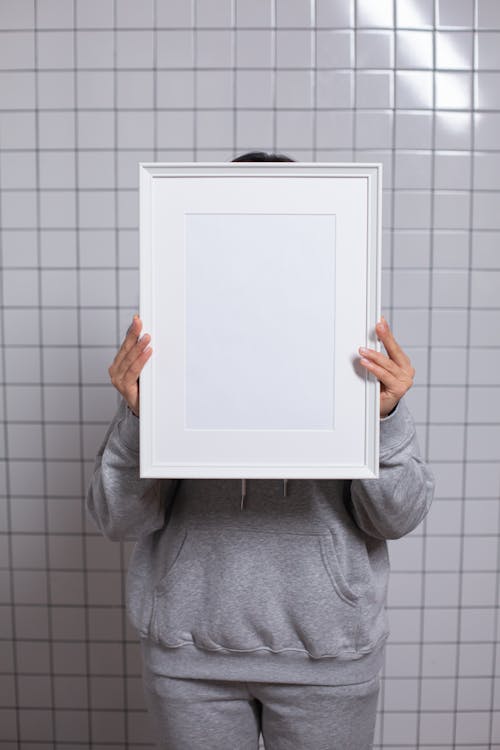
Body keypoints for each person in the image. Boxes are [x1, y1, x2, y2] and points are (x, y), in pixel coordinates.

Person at [86, 151, 435, 750]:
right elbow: (117, 517)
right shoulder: (169, 339)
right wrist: (141, 416)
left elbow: (397, 517)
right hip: (190, 653)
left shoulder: (351, 340)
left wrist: (386, 418)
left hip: (328, 652)